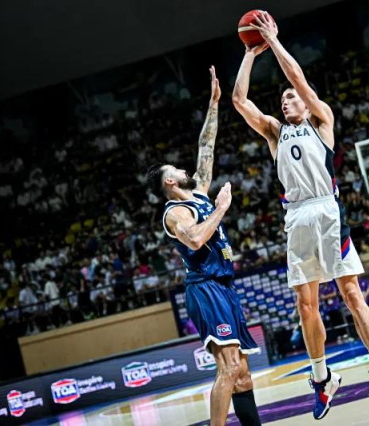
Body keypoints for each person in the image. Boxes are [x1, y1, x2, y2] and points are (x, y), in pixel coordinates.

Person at [232, 12, 369, 419]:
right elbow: (239, 100)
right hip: (296, 217)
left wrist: (273, 42)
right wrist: (251, 54)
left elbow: (299, 78)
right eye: (283, 98)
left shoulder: (321, 120)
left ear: (305, 105)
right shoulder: (274, 131)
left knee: (351, 294)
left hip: (327, 211)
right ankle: (323, 381)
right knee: (306, 307)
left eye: (292, 97)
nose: (287, 99)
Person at [146, 67, 261, 426]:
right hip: (205, 288)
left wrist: (213, 103)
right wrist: (223, 208)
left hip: (224, 286)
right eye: (178, 169)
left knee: (242, 372)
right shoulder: (175, 212)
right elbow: (195, 238)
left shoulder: (197, 194)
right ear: (170, 181)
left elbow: (206, 146)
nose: (186, 169)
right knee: (228, 366)